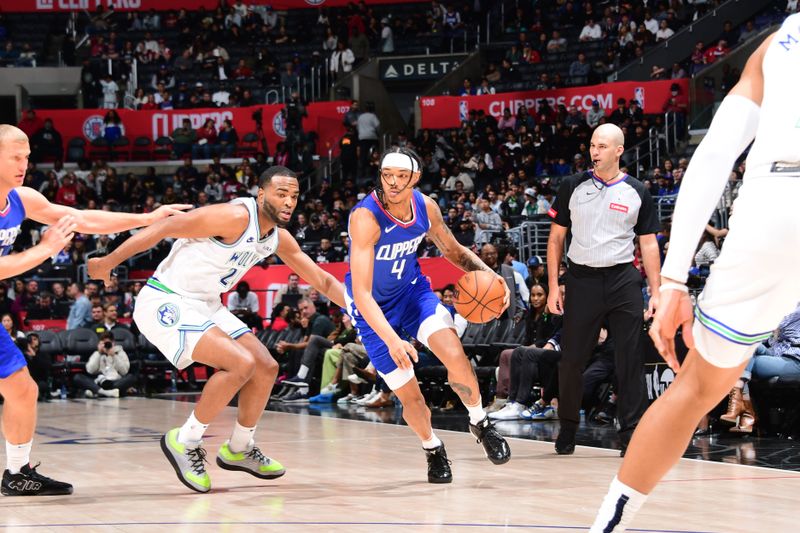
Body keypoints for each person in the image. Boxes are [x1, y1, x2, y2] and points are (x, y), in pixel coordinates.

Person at [589, 23, 800, 531]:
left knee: (696, 390)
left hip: (777, 204)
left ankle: (607, 529)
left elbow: (713, 154)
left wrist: (674, 282)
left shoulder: (783, 40)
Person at [88, 166, 347, 493]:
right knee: (240, 363)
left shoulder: (277, 237)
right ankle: (185, 440)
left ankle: (239, 447)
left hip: (207, 303)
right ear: (262, 194)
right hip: (166, 299)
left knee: (266, 367)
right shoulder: (234, 217)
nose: (289, 202)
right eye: (281, 194)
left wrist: (361, 309)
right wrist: (108, 261)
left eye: (294, 196)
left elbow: (323, 280)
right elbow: (165, 227)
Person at [0, 124, 189, 497]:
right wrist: (44, 249)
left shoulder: (20, 199)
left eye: (27, 157)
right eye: (16, 157)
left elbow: (81, 218)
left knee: (22, 389)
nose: (25, 164)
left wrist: (147, 219)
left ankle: (17, 472)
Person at [345, 147, 511, 484]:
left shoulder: (425, 206)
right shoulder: (365, 217)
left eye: (401, 176)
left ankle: (479, 421)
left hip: (412, 293)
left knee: (454, 353)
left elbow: (453, 251)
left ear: (415, 178)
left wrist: (493, 278)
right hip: (373, 310)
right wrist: (393, 341)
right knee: (413, 399)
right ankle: (433, 448)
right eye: (386, 175)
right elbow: (361, 293)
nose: (392, 182)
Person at [547, 123, 661, 457]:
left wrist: (656, 291)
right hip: (581, 280)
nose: (594, 152)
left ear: (618, 151)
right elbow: (556, 239)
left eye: (601, 146)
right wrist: (555, 285)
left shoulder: (637, 190)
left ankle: (631, 433)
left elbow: (649, 245)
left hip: (623, 278)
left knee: (629, 358)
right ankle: (567, 428)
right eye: (592, 146)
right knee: (571, 361)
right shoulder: (572, 185)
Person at [73, 332, 135, 398]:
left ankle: (96, 391)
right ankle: (106, 392)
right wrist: (99, 353)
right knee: (78, 377)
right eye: (104, 343)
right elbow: (90, 370)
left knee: (131, 377)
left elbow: (124, 371)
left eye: (108, 343)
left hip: (115, 381)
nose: (106, 345)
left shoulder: (120, 352)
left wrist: (114, 356)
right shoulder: (97, 353)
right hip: (99, 381)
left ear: (113, 343)